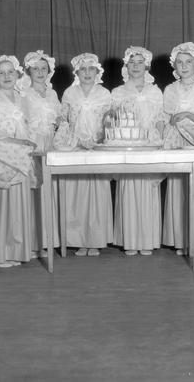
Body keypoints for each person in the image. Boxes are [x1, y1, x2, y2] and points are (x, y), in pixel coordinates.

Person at [53, 53, 113, 256]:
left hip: (97, 147)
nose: (87, 73)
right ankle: (78, 240)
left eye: (91, 69)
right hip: (75, 147)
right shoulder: (70, 93)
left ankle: (95, 240)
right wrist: (70, 139)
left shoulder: (105, 94)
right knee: (76, 192)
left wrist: (99, 139)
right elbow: (64, 120)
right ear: (77, 72)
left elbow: (109, 121)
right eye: (83, 69)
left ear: (97, 72)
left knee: (97, 192)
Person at [110, 46, 166, 256]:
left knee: (148, 190)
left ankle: (148, 240)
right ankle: (130, 240)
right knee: (129, 189)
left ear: (147, 66)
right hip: (127, 144)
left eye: (140, 62)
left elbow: (160, 118)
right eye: (131, 62)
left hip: (150, 144)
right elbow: (113, 120)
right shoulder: (117, 92)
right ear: (126, 65)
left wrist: (160, 141)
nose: (135, 66)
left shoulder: (155, 91)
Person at [0, 55, 36, 267]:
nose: (6, 76)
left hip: (21, 155)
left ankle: (18, 249)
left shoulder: (23, 98)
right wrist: (12, 141)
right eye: (1, 72)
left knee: (19, 202)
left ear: (17, 75)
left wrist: (25, 143)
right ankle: (0, 252)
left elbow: (28, 125)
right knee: (1, 203)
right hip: (0, 156)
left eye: (10, 72)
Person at [161, 42, 194, 255]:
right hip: (176, 142)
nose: (184, 66)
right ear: (174, 65)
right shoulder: (170, 89)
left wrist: (187, 117)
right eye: (180, 62)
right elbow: (165, 117)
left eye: (189, 62)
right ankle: (180, 239)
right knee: (179, 190)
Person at [19, 50, 61, 257]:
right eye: (35, 68)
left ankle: (46, 240)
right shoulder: (23, 93)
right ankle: (32, 242)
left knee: (47, 190)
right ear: (28, 71)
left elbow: (57, 118)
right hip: (32, 144)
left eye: (44, 68)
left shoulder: (52, 93)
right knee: (32, 189)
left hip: (49, 143)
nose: (40, 72)